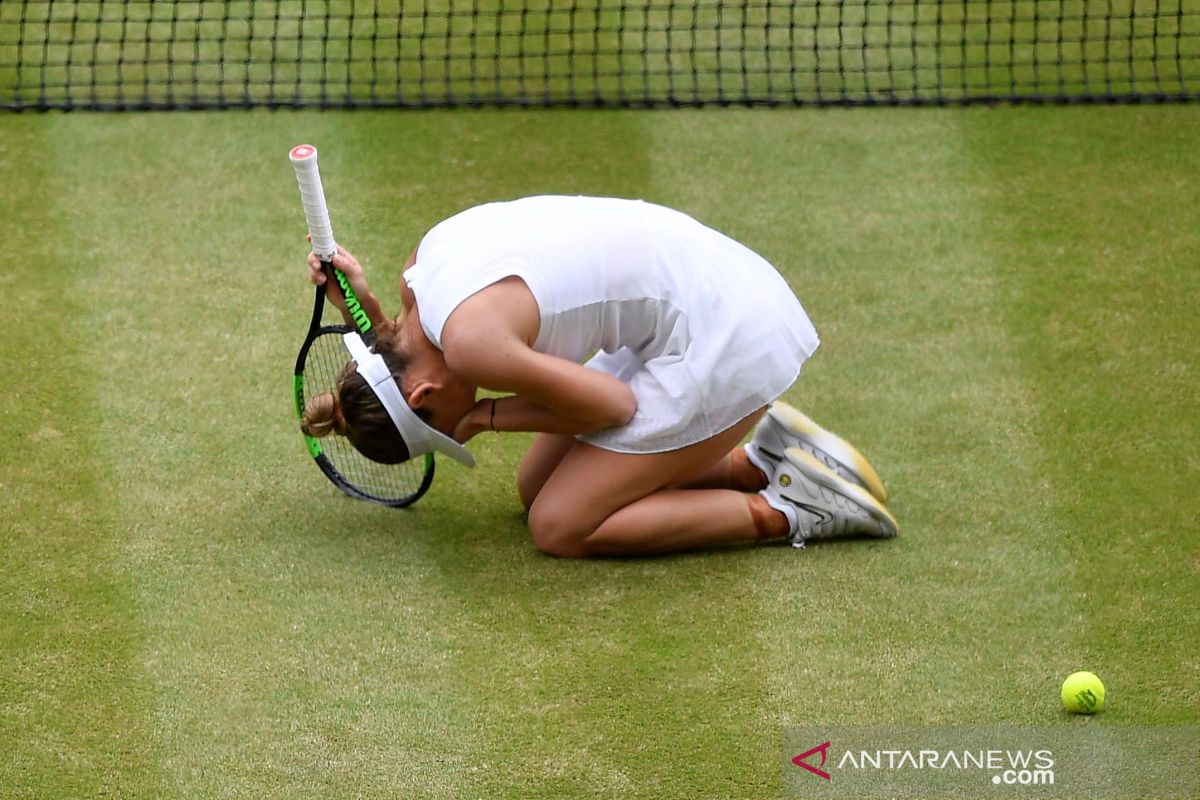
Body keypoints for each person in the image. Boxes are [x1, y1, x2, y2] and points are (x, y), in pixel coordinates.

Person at [302, 195, 898, 557]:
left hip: (729, 332)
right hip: (701, 288)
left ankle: (795, 510)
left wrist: (482, 417)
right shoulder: (419, 274)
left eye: (439, 429)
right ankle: (763, 460)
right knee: (536, 489)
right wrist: (371, 309)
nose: (452, 434)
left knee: (559, 526)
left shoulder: (469, 346)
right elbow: (403, 347)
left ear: (425, 395)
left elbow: (612, 406)